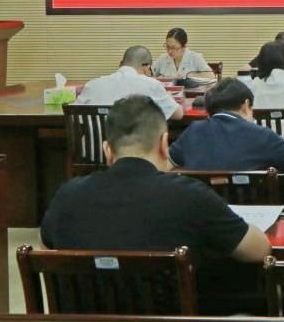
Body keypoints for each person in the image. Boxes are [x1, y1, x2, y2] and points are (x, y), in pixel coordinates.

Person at [42, 95, 271, 261]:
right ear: (164, 144)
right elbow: (258, 250)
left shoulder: (67, 195)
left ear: (107, 150)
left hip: (84, 316)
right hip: (174, 316)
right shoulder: (190, 196)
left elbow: (48, 242)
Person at [169, 78, 284, 182]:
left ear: (208, 111)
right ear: (246, 105)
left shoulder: (193, 131)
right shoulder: (262, 135)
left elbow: (164, 165)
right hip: (251, 215)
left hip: (199, 215)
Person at [77, 46, 183, 119]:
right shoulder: (151, 85)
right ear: (146, 67)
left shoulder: (92, 85)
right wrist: (168, 97)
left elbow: (73, 113)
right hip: (135, 146)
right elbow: (178, 114)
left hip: (94, 146)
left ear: (121, 64)